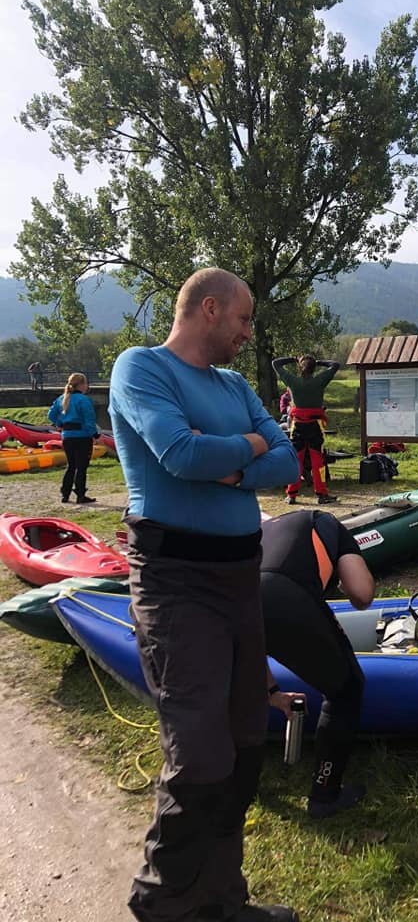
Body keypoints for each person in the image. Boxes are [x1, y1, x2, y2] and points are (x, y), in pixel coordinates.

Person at [108, 267, 300, 922]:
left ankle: (221, 899)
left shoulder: (235, 384)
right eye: (244, 321)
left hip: (238, 578)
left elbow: (289, 461)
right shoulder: (142, 369)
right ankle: (163, 902)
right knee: (199, 752)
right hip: (175, 583)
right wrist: (249, 447)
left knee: (246, 742)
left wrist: (233, 461)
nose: (248, 334)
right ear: (210, 310)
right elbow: (180, 457)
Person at [261, 509, 375, 818]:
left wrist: (272, 692)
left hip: (232, 596)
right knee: (347, 688)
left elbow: (248, 647)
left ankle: (239, 786)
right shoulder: (332, 526)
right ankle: (325, 794)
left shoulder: (267, 529)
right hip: (286, 594)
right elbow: (362, 595)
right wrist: (343, 571)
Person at [272, 354, 339, 505]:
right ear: (314, 368)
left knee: (296, 460)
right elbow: (335, 365)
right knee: (317, 462)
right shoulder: (319, 381)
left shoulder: (293, 381)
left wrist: (293, 359)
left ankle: (292, 495)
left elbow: (275, 363)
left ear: (300, 367)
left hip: (298, 425)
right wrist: (320, 362)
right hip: (315, 425)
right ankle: (322, 495)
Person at [47, 372, 99, 504]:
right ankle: (80, 494)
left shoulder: (62, 399)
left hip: (67, 436)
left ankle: (65, 494)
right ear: (81, 385)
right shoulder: (84, 400)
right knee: (81, 467)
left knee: (71, 465)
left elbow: (51, 414)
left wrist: (60, 423)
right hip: (82, 436)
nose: (86, 386)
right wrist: (95, 434)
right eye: (85, 383)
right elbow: (89, 419)